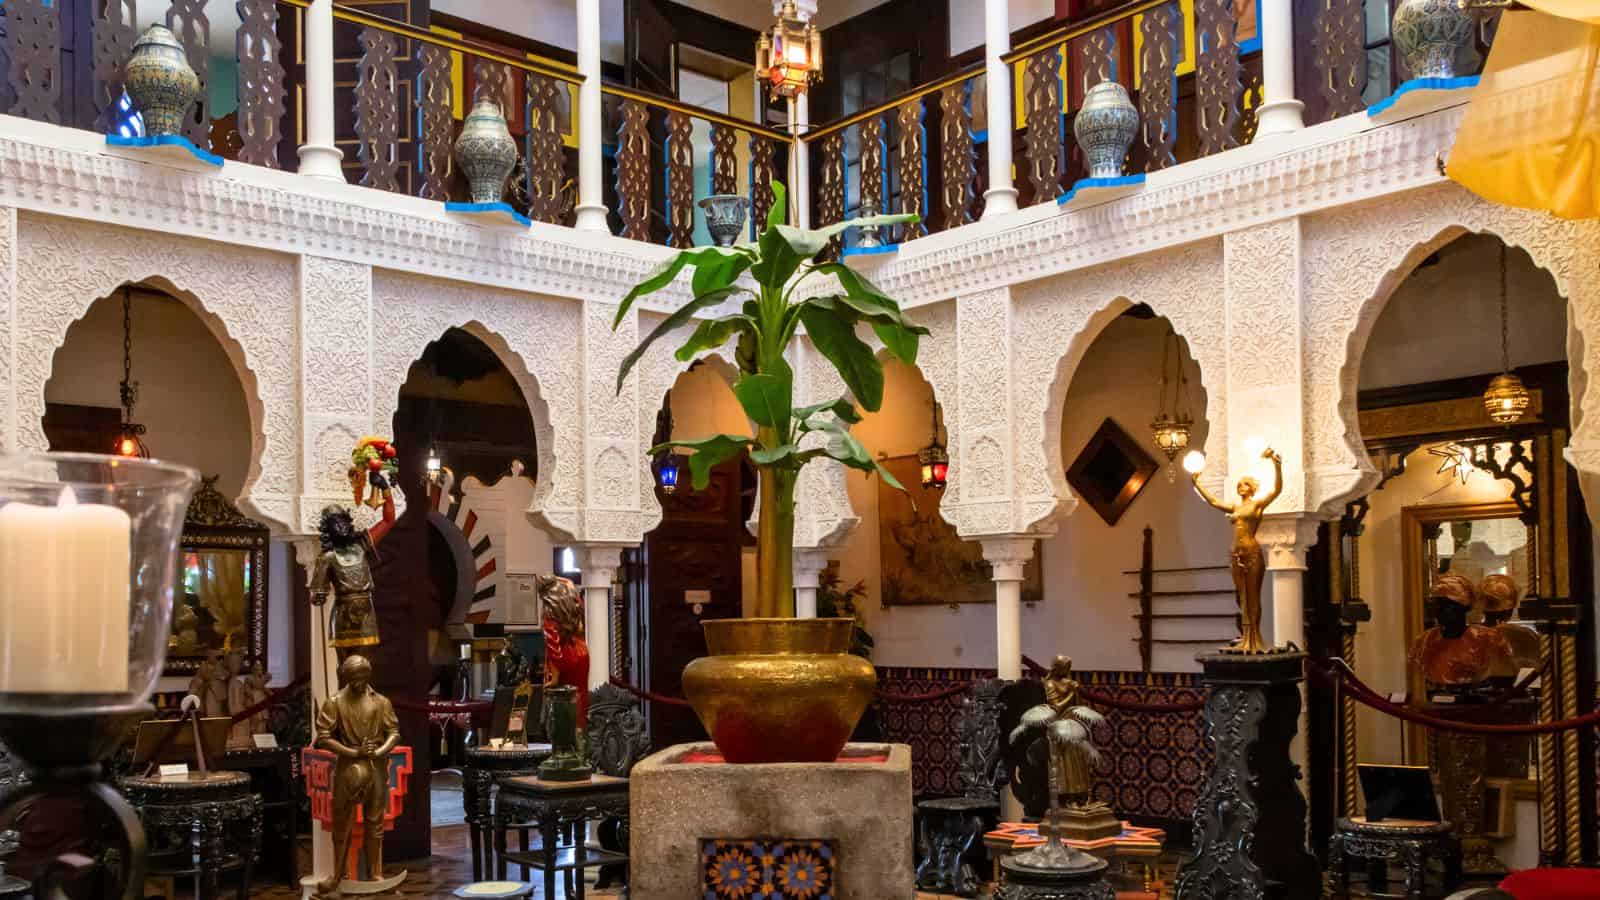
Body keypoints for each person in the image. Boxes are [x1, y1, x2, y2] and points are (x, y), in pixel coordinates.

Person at [314, 655, 400, 898]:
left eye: (363, 676)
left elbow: (394, 731)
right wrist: (354, 752)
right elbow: (323, 737)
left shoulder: (381, 702)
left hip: (376, 768)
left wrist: (380, 750)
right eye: (354, 677)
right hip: (347, 770)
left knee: (375, 823)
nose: (359, 682)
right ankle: (338, 875)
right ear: (346, 677)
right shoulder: (334, 702)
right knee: (342, 825)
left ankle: (375, 874)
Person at [1190, 447, 1283, 653]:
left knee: (1253, 595)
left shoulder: (1256, 505)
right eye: (1239, 484)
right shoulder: (1235, 508)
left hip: (1251, 551)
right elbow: (1213, 501)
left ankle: (1255, 638)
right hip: (1236, 553)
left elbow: (1276, 491)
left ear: (1252, 488)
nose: (1241, 487)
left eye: (1245, 484)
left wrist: (1277, 466)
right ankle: (1246, 637)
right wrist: (1197, 483)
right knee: (1241, 596)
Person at [310, 487, 396, 658]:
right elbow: (318, 592)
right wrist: (319, 594)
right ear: (328, 529)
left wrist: (385, 489)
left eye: (343, 522)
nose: (340, 527)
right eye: (335, 524)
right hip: (344, 613)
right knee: (347, 668)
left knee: (365, 665)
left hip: (366, 611)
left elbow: (388, 520)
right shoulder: (328, 557)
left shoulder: (361, 545)